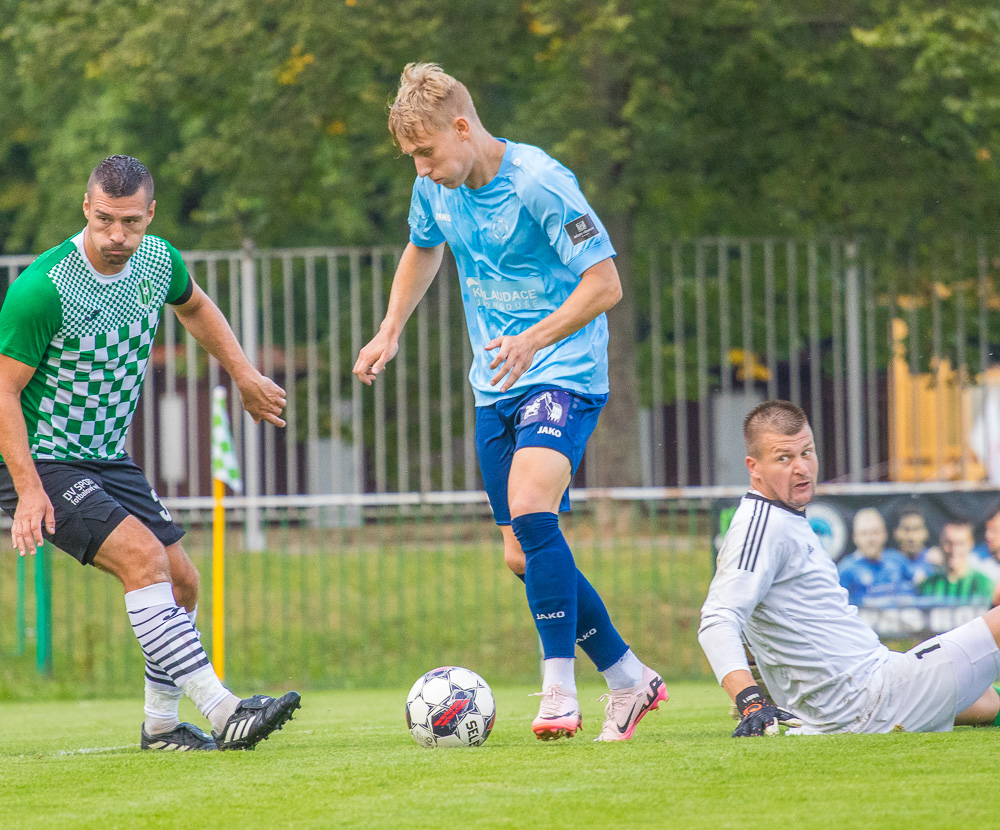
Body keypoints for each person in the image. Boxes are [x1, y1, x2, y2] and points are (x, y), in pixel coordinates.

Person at [353, 64, 666, 741]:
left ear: (462, 127)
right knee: (523, 553)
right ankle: (629, 676)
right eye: (412, 158)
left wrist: (533, 339)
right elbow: (422, 249)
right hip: (494, 383)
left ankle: (558, 690)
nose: (422, 168)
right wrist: (390, 328)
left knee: (529, 506)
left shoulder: (540, 182)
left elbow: (605, 284)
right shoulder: (433, 190)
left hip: (564, 371)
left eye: (426, 152)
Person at [0, 155, 300, 751]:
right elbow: (4, 391)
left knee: (182, 582)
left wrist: (243, 374)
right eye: (105, 220)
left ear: (151, 214)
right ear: (86, 208)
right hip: (42, 459)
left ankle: (162, 727)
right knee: (144, 560)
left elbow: (196, 307)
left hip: (106, 457)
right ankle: (225, 711)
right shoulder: (42, 289)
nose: (117, 236)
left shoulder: (159, 262)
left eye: (131, 222)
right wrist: (29, 490)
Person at [699, 400, 1000, 736]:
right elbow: (717, 619)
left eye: (807, 452)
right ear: (753, 467)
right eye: (784, 458)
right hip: (867, 694)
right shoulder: (761, 525)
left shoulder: (782, 518)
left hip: (862, 692)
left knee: (986, 701)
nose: (801, 468)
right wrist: (750, 700)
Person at [836, 508, 914, 606]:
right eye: (864, 534)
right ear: (855, 537)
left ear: (884, 534)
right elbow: (836, 604)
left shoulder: (897, 560)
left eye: (875, 532)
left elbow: (919, 587)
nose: (870, 539)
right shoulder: (846, 568)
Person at [919, 521, 993, 604]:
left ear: (971, 544)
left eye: (960, 544)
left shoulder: (984, 584)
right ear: (940, 543)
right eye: (948, 543)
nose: (953, 550)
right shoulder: (928, 585)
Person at [892, 507, 939, 585]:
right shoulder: (887, 561)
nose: (911, 537)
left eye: (917, 529)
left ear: (926, 533)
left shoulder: (935, 562)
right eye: (906, 529)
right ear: (895, 533)